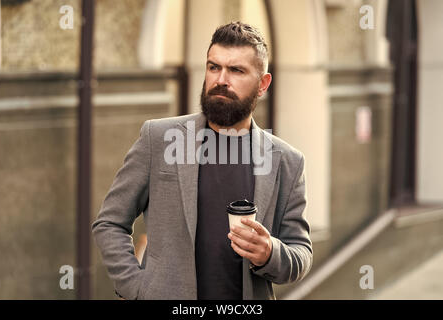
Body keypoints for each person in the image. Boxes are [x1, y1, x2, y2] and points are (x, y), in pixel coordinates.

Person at [92, 21, 312, 300]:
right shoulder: (158, 138)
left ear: (262, 84)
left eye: (236, 70)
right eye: (213, 67)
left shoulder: (287, 162)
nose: (221, 79)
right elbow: (110, 222)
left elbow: (301, 253)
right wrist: (136, 288)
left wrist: (270, 252)